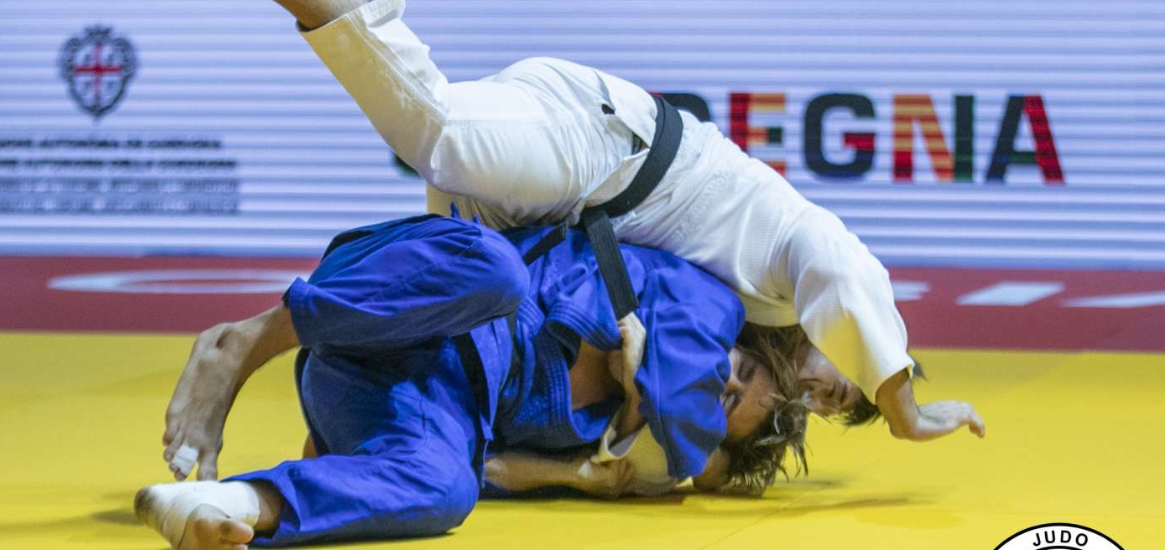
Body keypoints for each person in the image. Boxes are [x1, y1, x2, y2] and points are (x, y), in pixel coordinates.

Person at [262, 0, 987, 443]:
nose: (820, 395)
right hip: (606, 148)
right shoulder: (792, 261)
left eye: (831, 408)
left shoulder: (740, 330)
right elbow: (844, 270)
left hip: (553, 213)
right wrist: (904, 409)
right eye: (844, 381)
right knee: (439, 135)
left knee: (442, 312)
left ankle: (312, 448)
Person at [139, 214, 807, 549]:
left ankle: (226, 507)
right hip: (388, 300)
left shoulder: (605, 438)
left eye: (726, 402)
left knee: (450, 489)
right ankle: (243, 343)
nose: (720, 377)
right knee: (498, 270)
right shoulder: (656, 286)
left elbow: (488, 467)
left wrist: (579, 470)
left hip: (396, 400)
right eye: (741, 368)